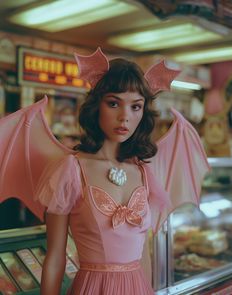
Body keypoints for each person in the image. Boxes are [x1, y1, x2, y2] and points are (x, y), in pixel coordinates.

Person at [0, 48, 209, 295]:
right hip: (93, 288)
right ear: (96, 105)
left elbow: (143, 255)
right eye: (113, 103)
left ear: (144, 112)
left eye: (136, 106)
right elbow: (55, 256)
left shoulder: (143, 171)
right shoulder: (71, 170)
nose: (125, 117)